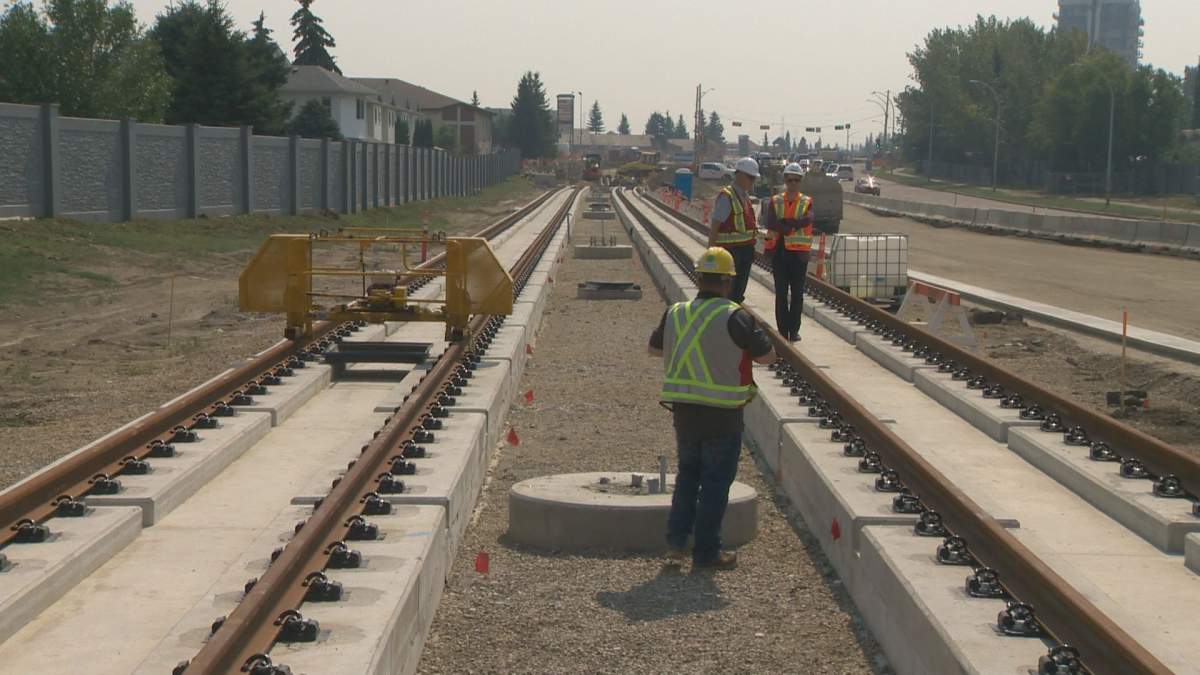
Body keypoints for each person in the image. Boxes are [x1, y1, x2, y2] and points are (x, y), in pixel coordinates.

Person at [648, 247, 776, 570]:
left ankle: (675, 546)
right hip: (722, 415)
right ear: (727, 283)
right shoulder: (736, 315)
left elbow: (652, 348)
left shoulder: (676, 312)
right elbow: (766, 356)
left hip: (685, 413)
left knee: (688, 477)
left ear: (699, 279)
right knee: (716, 483)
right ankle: (707, 552)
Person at [761, 163, 815, 341]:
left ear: (800, 182)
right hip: (779, 254)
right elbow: (771, 222)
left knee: (798, 294)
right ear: (785, 180)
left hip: (799, 255)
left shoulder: (806, 202)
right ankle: (783, 331)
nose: (792, 183)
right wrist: (790, 226)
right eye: (789, 179)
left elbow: (807, 220)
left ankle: (794, 330)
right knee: (781, 294)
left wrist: (787, 222)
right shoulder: (775, 201)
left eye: (796, 180)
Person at [707, 157, 760, 304]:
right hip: (730, 252)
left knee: (738, 292)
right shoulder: (727, 196)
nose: (752, 181)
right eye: (750, 177)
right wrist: (710, 254)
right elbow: (715, 226)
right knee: (728, 292)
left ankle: (734, 316)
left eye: (754, 178)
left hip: (745, 251)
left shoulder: (744, 196)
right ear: (739, 175)